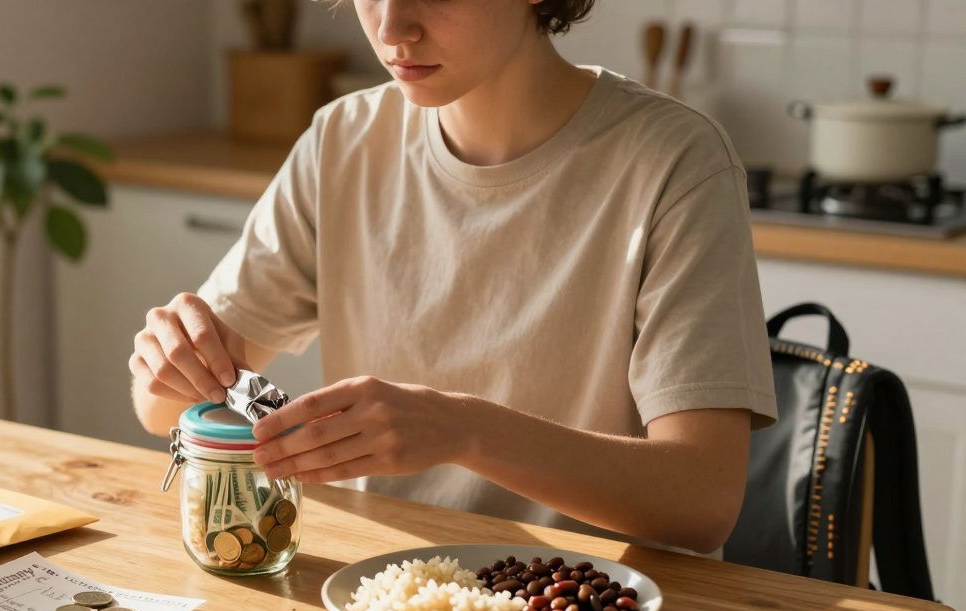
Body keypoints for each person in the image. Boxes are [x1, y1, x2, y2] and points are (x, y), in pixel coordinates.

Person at [128, 0, 777, 555]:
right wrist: (171, 359)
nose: (391, 27)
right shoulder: (345, 141)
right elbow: (158, 410)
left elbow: (702, 501)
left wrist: (466, 431)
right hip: (386, 598)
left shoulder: (675, 162)